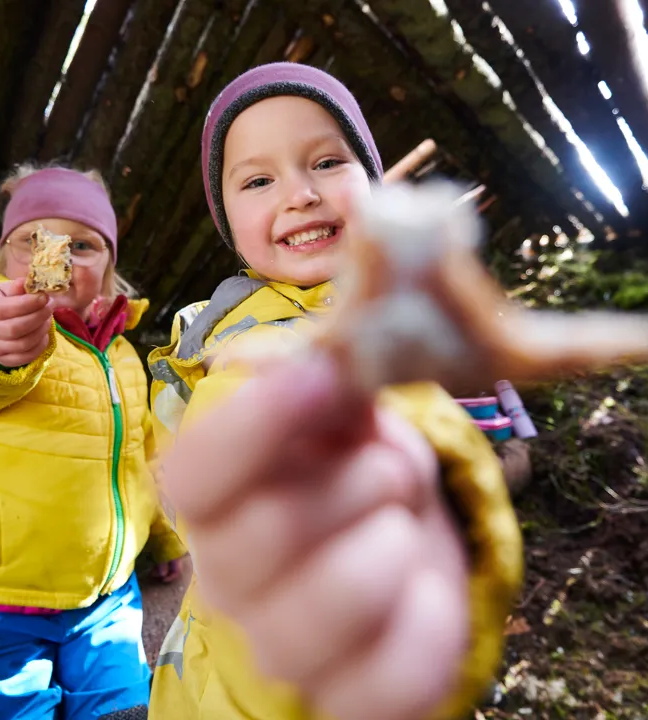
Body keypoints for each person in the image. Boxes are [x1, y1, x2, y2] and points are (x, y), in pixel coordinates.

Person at [145, 63, 524, 720]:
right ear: (229, 219)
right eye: (260, 179)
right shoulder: (216, 341)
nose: (300, 195)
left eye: (326, 162)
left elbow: (508, 460)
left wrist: (470, 441)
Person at [0, 164, 186, 720]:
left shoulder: (125, 358)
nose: (54, 256)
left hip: (105, 606)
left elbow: (143, 463)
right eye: (32, 241)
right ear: (2, 263)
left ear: (109, 270)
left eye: (82, 244)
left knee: (129, 710)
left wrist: (168, 541)